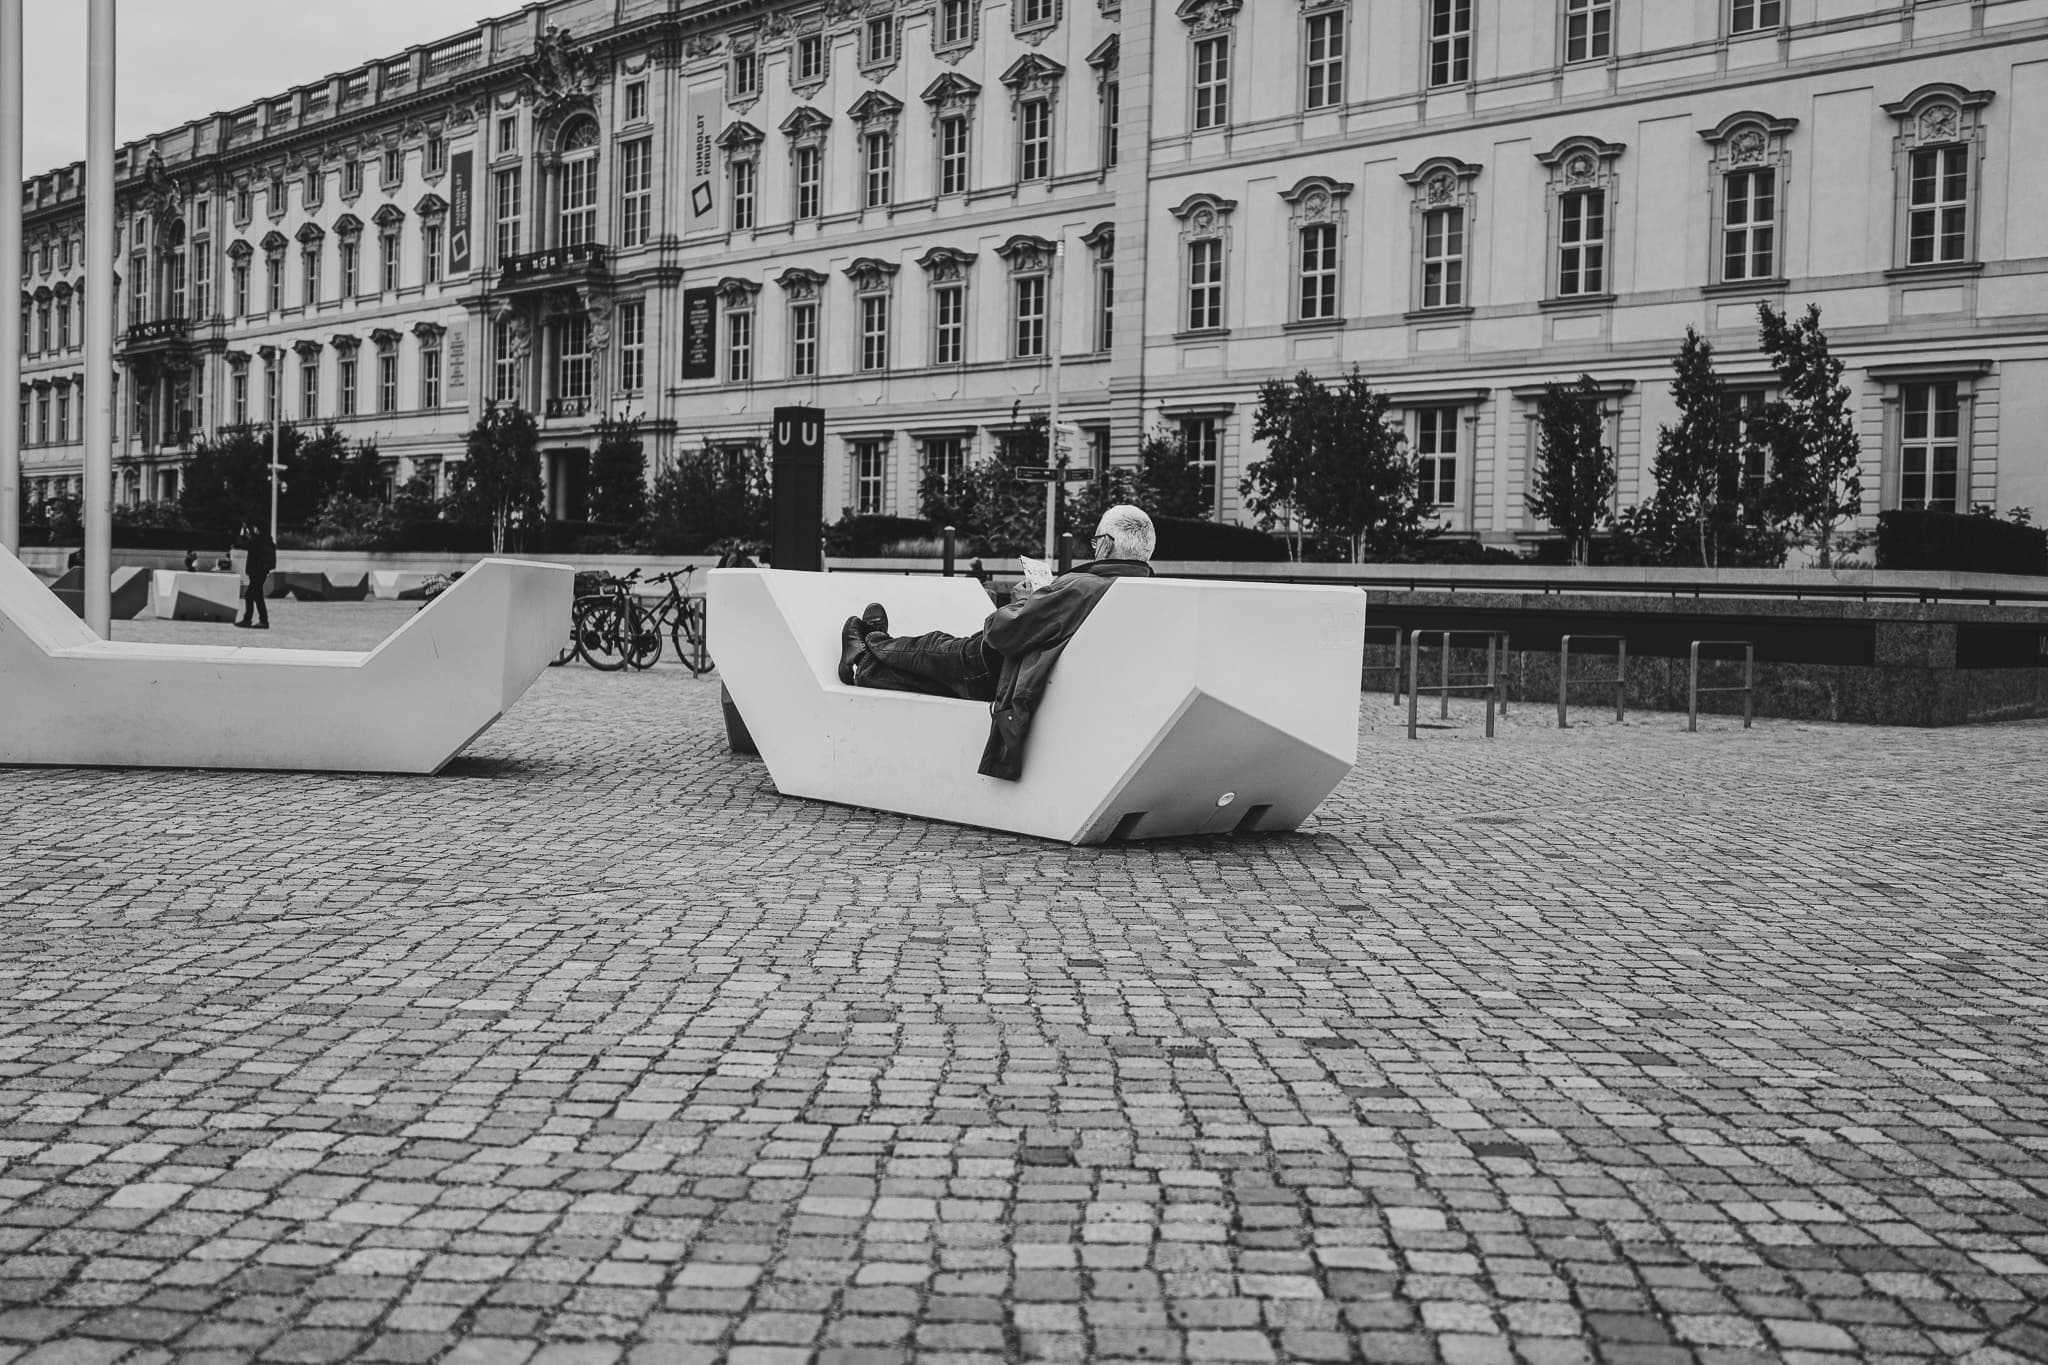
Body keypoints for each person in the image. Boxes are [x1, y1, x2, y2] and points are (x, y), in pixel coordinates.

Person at [836, 505, 1156, 781]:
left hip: (1000, 669)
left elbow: (1001, 630)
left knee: (933, 647)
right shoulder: (1144, 591)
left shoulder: (1085, 586)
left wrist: (1024, 601)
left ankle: (870, 642)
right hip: (1043, 678)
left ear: (1106, 544)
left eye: (1096, 541)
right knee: (933, 679)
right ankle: (866, 667)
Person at [235, 521, 276, 630]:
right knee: (258, 597)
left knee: (249, 596)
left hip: (256, 572)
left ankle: (249, 620)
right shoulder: (265, 540)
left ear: (258, 529)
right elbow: (252, 543)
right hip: (261, 572)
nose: (254, 529)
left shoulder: (258, 540)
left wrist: (241, 535)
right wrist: (248, 536)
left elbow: (243, 544)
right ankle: (263, 621)